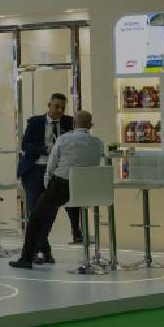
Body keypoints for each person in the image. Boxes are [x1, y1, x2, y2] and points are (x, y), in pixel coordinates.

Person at [11, 111, 103, 270]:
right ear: (91, 126)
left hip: (62, 186)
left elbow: (51, 166)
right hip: (87, 190)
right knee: (54, 210)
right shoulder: (98, 143)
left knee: (35, 218)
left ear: (74, 124)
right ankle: (76, 231)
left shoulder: (63, 139)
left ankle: (26, 258)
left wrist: (48, 185)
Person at [15, 94, 74, 263]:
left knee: (49, 213)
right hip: (34, 169)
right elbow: (26, 145)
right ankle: (42, 250)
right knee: (35, 212)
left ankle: (37, 249)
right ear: (49, 105)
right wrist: (45, 149)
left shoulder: (69, 123)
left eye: (63, 107)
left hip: (56, 172)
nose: (60, 111)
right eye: (56, 107)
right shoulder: (35, 122)